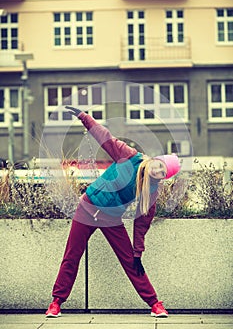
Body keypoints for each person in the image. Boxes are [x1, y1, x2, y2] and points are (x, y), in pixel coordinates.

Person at [45, 106, 181, 318]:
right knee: (72, 256)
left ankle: (155, 304)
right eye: (160, 165)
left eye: (164, 173)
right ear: (156, 159)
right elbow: (105, 137)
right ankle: (56, 302)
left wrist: (137, 251)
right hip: (87, 207)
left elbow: (142, 223)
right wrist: (84, 117)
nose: (158, 170)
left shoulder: (151, 191)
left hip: (111, 219)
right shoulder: (130, 157)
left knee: (131, 262)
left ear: (164, 177)